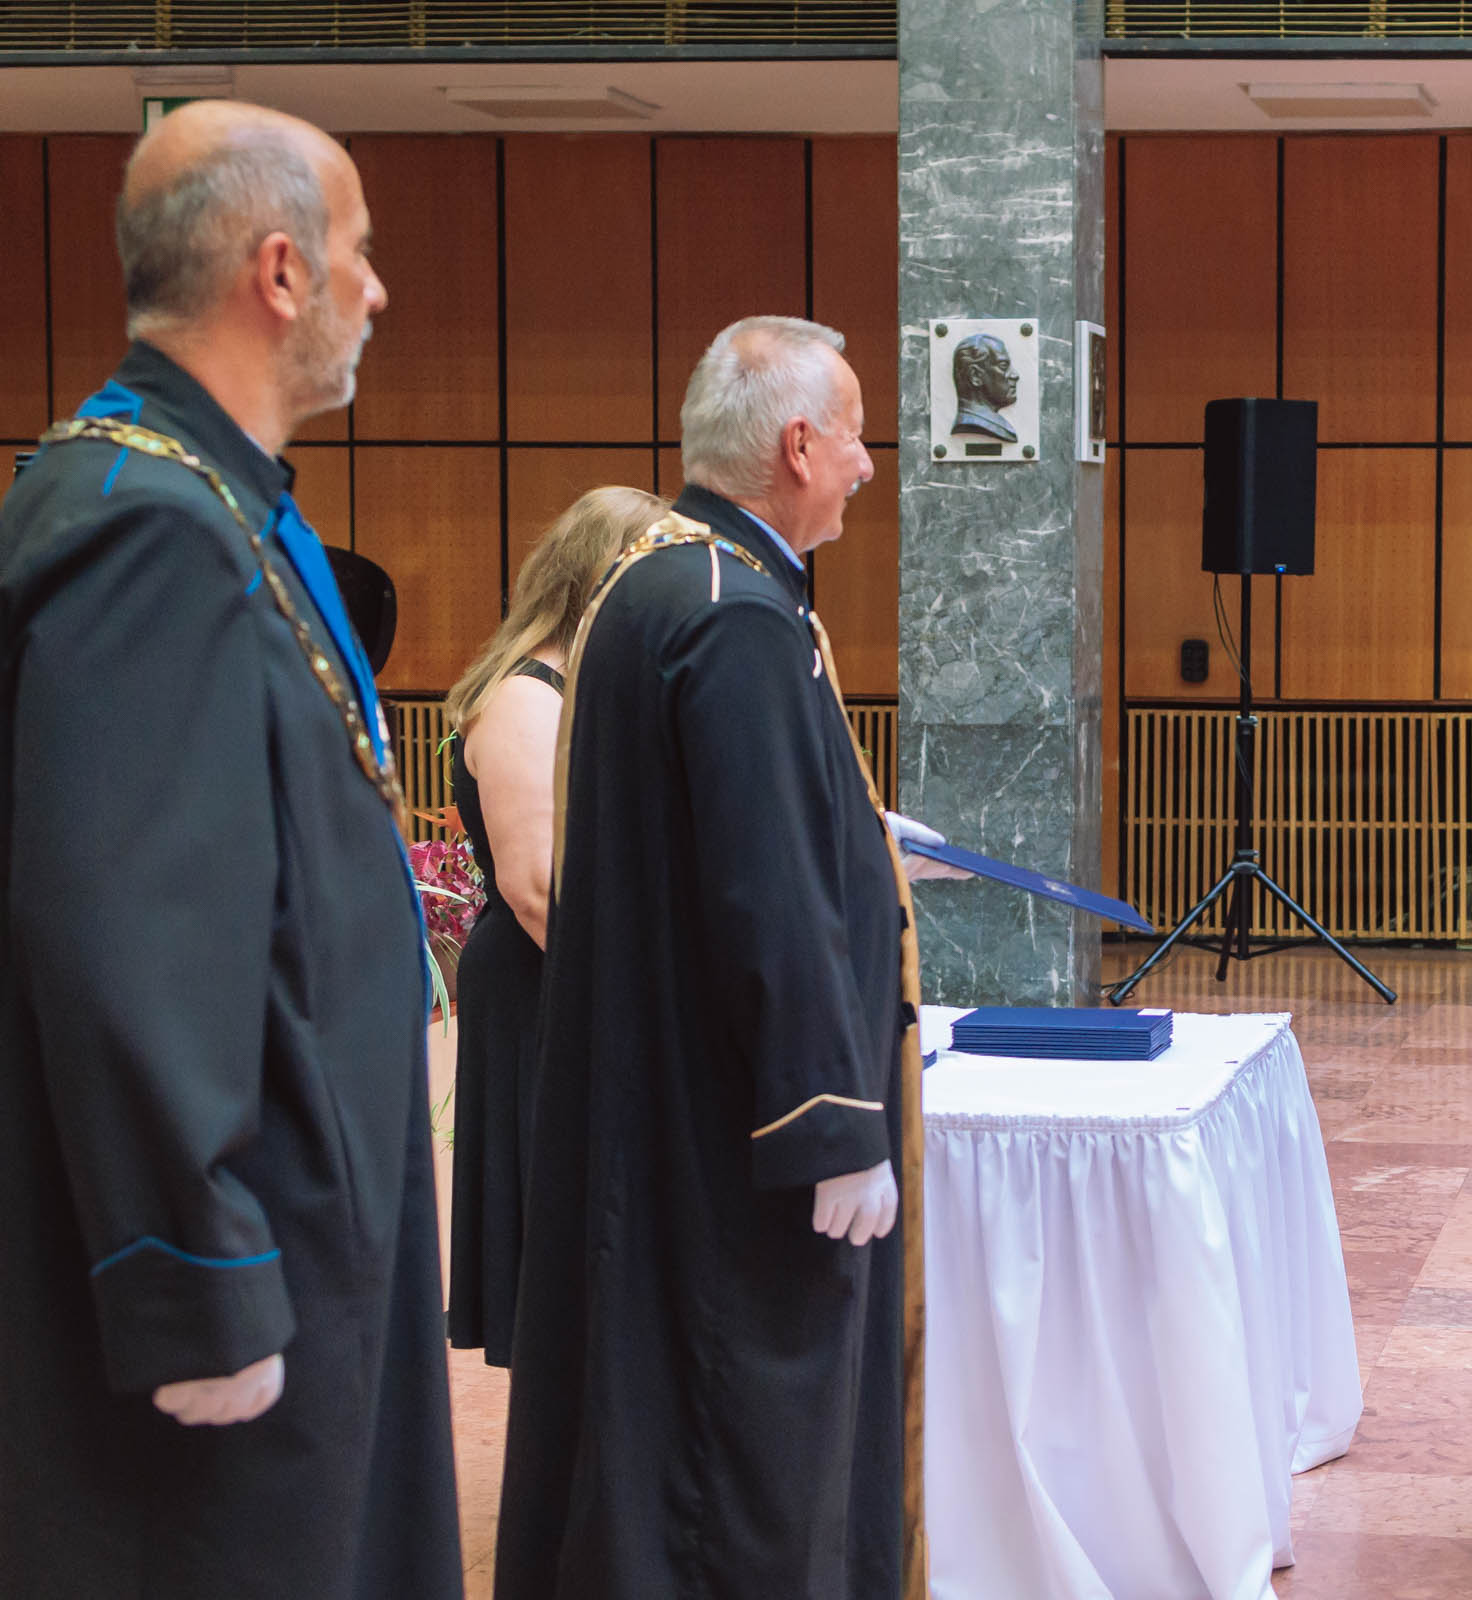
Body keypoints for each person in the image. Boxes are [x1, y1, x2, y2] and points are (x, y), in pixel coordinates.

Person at [0, 101, 461, 1597]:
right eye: (360, 252)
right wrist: (194, 1274)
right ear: (279, 271)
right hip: (236, 1262)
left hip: (302, 1217)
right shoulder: (145, 527)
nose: (377, 288)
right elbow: (128, 933)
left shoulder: (207, 502)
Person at [496, 317, 956, 1599]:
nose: (866, 463)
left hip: (665, 1106)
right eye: (854, 434)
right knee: (742, 1457)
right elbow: (764, 893)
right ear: (798, 444)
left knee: (655, 1444)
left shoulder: (656, 582)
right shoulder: (737, 615)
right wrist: (834, 1121)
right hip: (739, 1138)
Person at [443, 484, 665, 1367]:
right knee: (562, 1244)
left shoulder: (583, 685)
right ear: (599, 578)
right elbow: (537, 888)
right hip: (548, 986)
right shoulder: (526, 699)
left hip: (579, 976)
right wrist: (638, 1002)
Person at [949, 330, 1020, 442]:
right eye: (1003, 366)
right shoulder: (973, 423)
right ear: (975, 375)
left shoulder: (998, 425)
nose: (1015, 375)